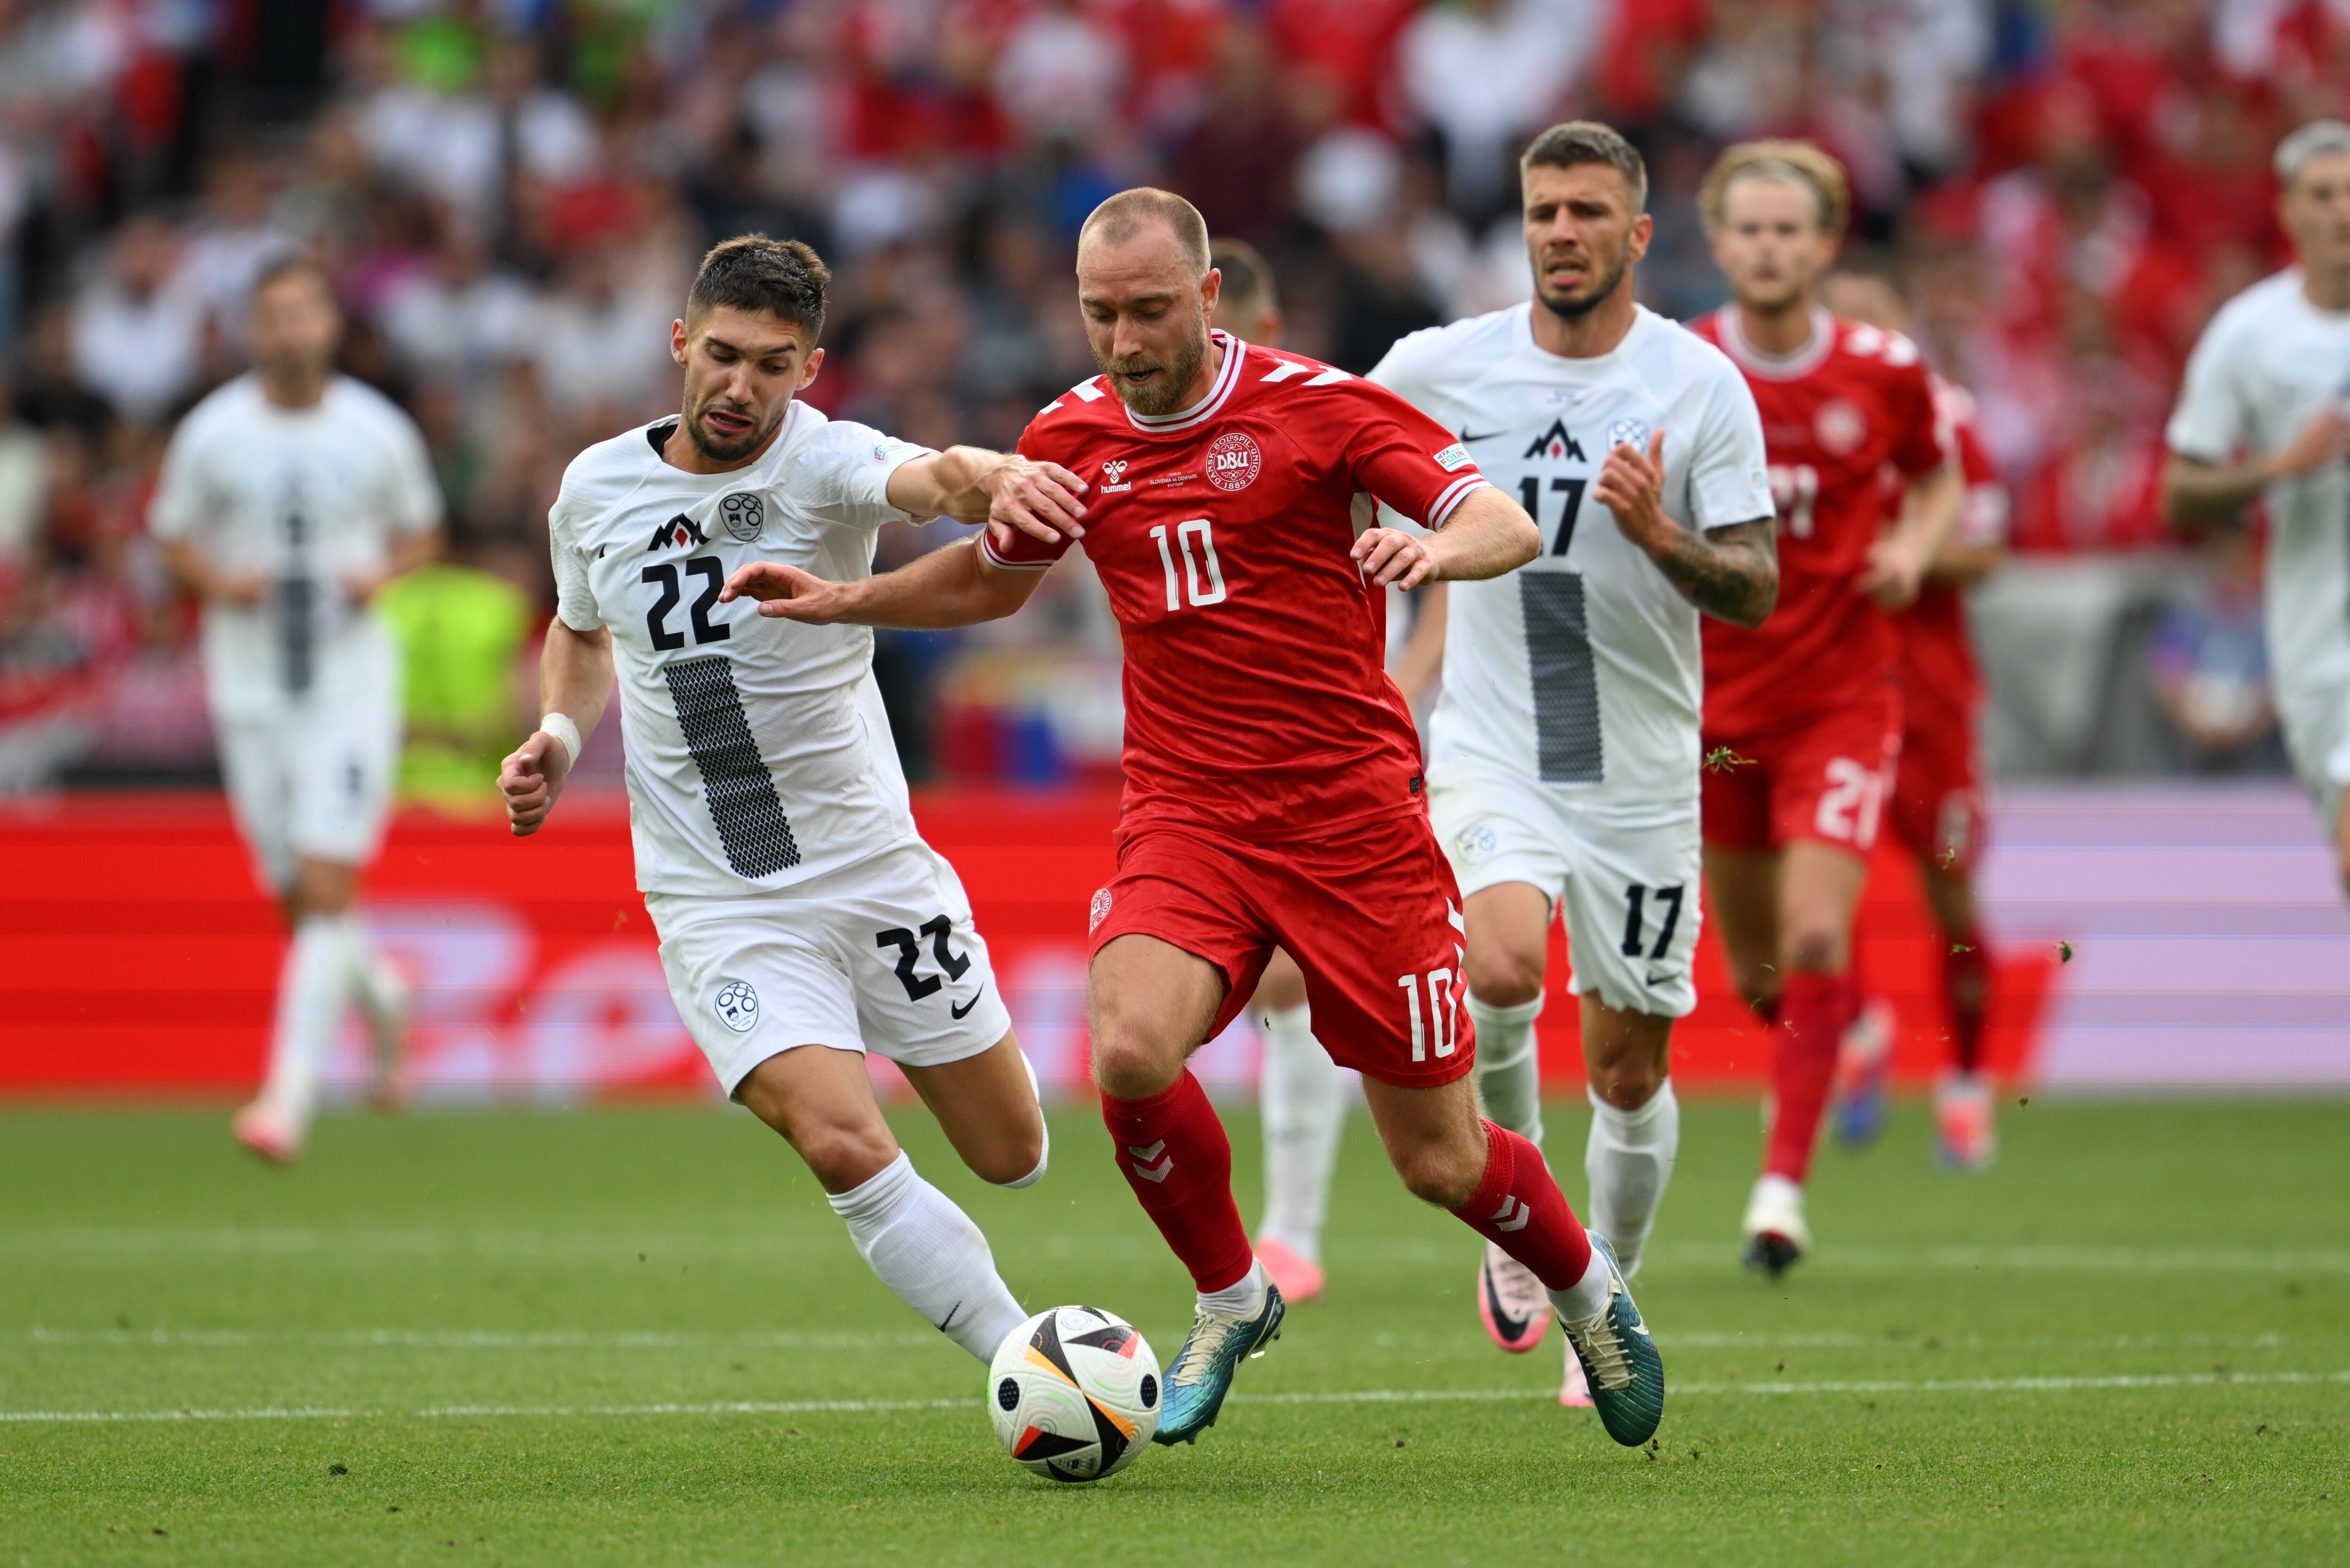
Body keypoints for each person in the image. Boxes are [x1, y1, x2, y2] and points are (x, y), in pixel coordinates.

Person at [723, 189, 1667, 1450]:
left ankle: (1589, 1293)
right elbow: (991, 584)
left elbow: (1488, 513)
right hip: (1190, 813)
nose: (1124, 339)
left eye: (1152, 310)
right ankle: (1233, 1297)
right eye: (1101, 314)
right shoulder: (1066, 436)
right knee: (1128, 1056)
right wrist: (850, 599)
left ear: (1211, 297)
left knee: (1440, 1162)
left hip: (1352, 826)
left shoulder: (1321, 410)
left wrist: (1442, 556)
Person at [497, 235, 1074, 1367]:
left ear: (810, 369)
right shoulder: (595, 488)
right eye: (722, 356)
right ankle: (1033, 1362)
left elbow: (933, 478)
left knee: (1012, 1153)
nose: (740, 387)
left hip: (871, 868)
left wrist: (996, 477)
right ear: (680, 342)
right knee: (840, 1139)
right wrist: (563, 734)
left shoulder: (826, 461)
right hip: (718, 895)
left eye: (773, 364)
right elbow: (578, 630)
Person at [1370, 122, 1776, 1405]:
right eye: (1545, 210)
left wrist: (1663, 536)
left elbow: (1757, 587)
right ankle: (1519, 1211)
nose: (1562, 233)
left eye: (1588, 213)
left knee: (1629, 1069)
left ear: (1637, 236)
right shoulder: (1443, 367)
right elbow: (1325, 448)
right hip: (1498, 752)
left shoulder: (1699, 385)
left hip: (1646, 780)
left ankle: (1608, 1289)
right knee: (1492, 962)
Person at [1688, 142, 1960, 1275]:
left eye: (1786, 230)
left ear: (1824, 244)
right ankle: (1846, 1030)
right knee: (1764, 979)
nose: (1766, 247)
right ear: (1718, 242)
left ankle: (1779, 1193)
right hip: (1711, 714)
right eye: (1746, 229)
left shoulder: (1884, 369)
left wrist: (1910, 543)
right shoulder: (1682, 364)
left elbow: (1936, 470)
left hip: (1842, 700)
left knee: (1812, 932)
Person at [151, 257, 444, 1163]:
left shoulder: (376, 429)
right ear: (253, 329)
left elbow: (421, 534)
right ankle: (385, 999)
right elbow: (171, 537)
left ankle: (285, 1102)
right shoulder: (212, 433)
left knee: (322, 887)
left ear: (329, 326)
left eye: (303, 314)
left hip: (350, 684)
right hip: (251, 686)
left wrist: (377, 577)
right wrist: (219, 582)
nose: (288, 332)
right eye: (271, 316)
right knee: (299, 900)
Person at [1204, 235, 1448, 1307]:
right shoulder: (1163, 440)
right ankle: (1291, 1229)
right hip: (1250, 754)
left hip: (1382, 733)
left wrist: (1405, 686)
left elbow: (1445, 564)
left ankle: (1312, 1222)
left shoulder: (1327, 415)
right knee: (1289, 978)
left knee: (1467, 983)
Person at [1819, 260, 2009, 1171]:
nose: (1858, 335)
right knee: (1815, 881)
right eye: (1842, 318)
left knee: (1950, 890)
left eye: (1873, 318)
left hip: (1931, 703)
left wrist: (1899, 556)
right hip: (1833, 694)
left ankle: (1967, 1085)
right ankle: (1859, 1025)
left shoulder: (1945, 415)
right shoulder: (1807, 419)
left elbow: (1986, 550)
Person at [2162, 118, 2350, 903]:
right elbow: (2180, 490)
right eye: (2324, 195)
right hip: (2316, 637)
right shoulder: (2249, 334)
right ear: (2287, 211)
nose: (2345, 211)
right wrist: (2282, 466)